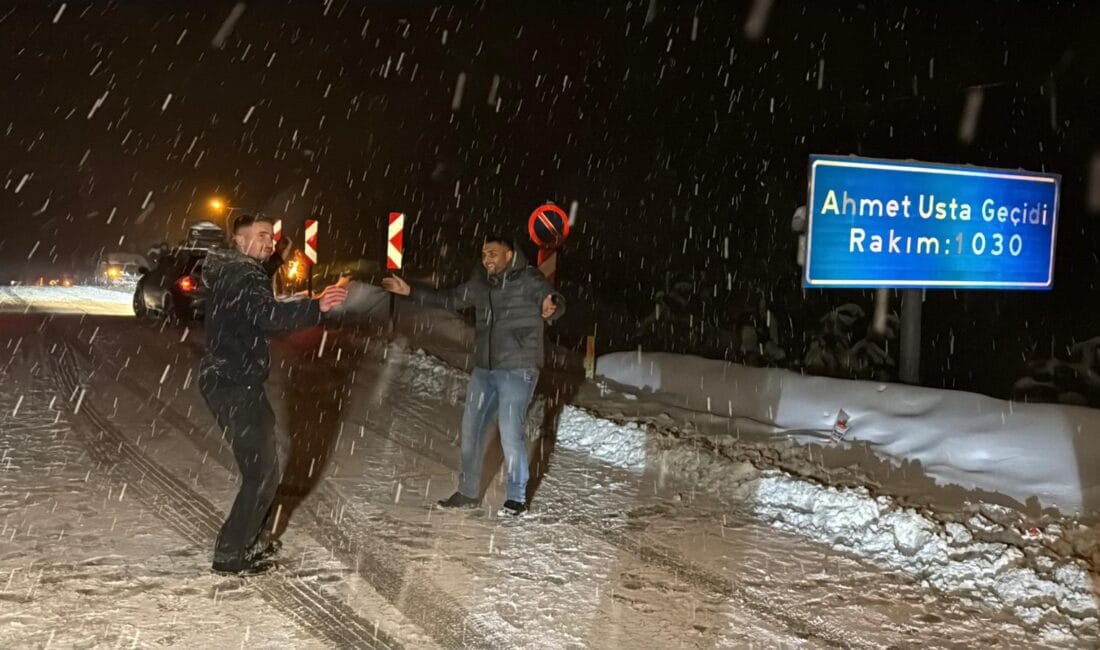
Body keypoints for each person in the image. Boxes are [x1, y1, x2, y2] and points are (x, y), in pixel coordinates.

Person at [199, 214, 347, 575]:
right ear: (238, 239)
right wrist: (317, 306)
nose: (269, 242)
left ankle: (251, 540)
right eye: (262, 236)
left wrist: (277, 262)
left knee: (262, 470)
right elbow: (266, 314)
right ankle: (232, 553)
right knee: (262, 473)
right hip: (235, 382)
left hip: (226, 378)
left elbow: (251, 297)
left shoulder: (231, 270)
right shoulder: (244, 274)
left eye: (271, 237)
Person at [382, 235, 565, 517]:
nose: (487, 259)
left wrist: (551, 305)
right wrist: (411, 291)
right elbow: (450, 299)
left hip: (518, 368)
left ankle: (516, 498)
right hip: (485, 369)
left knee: (510, 433)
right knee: (471, 430)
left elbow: (551, 299)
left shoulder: (529, 279)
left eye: (493, 253)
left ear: (508, 254)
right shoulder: (481, 284)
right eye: (483, 255)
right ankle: (467, 493)